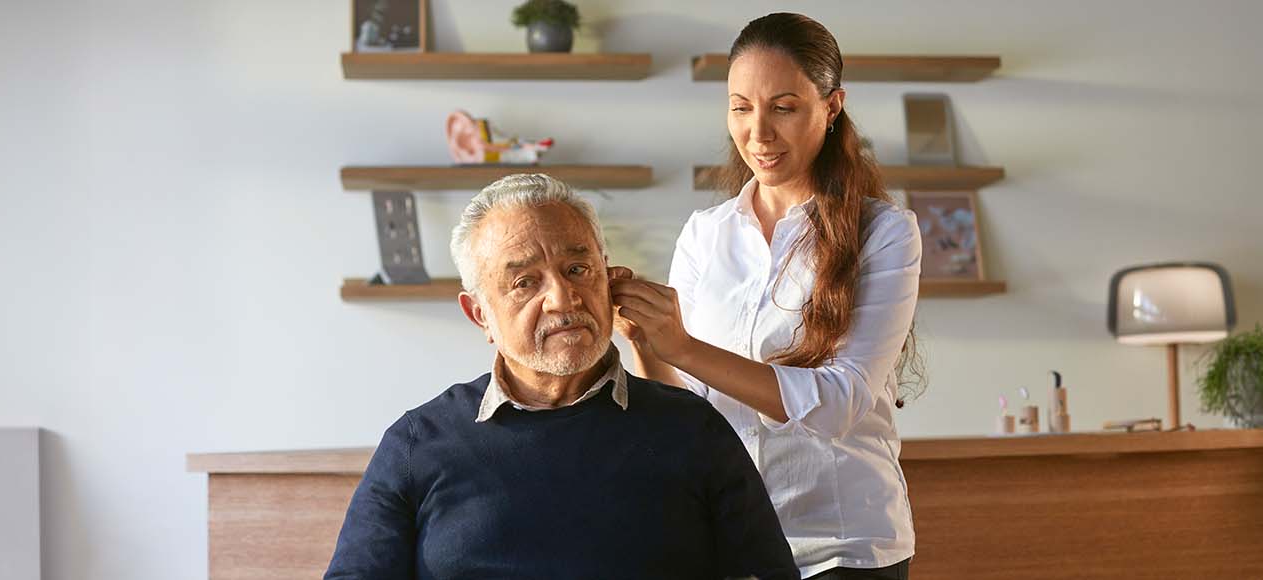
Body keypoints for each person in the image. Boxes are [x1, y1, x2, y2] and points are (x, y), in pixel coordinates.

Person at [324, 173, 798, 580]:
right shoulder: (416, 443)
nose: (562, 298)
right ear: (480, 315)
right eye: (525, 282)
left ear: (610, 279)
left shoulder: (693, 429)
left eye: (577, 269)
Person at [610, 13, 922, 580]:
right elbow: (692, 412)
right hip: (730, 543)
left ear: (831, 107)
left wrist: (680, 345)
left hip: (843, 548)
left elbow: (839, 402)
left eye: (783, 107)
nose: (759, 133)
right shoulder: (706, 233)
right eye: (740, 107)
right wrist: (647, 346)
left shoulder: (886, 231)